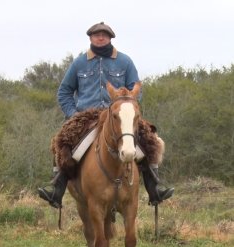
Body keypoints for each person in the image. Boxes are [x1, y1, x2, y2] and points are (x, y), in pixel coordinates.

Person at [38, 22, 174, 208]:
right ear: (91, 38)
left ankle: (155, 188)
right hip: (88, 117)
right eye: (96, 35)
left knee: (150, 140)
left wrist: (126, 104)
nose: (100, 37)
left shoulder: (125, 61)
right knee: (62, 142)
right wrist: (73, 114)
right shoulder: (79, 62)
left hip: (119, 114)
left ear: (110, 38)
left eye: (104, 35)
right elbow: (64, 92)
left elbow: (136, 89)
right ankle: (56, 189)